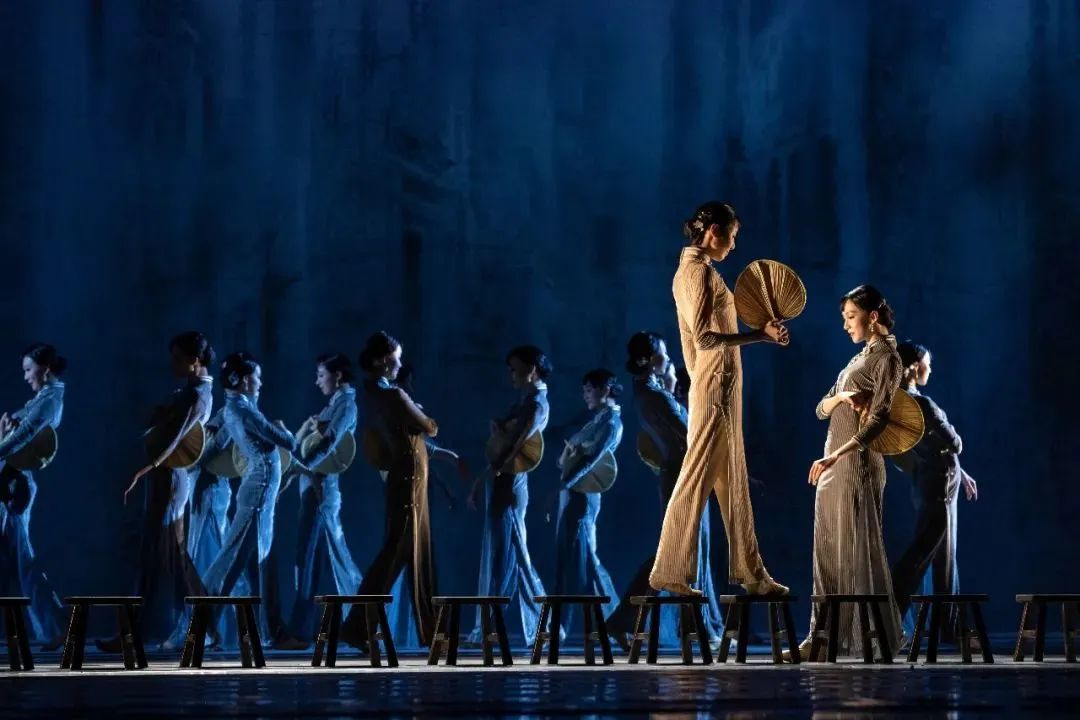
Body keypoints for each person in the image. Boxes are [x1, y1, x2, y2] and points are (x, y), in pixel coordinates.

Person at [650, 202, 789, 597]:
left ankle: (753, 574)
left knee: (733, 481)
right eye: (732, 235)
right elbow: (705, 338)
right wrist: (759, 336)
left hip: (720, 385)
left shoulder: (703, 271)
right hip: (714, 386)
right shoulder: (695, 273)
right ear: (713, 230)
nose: (733, 244)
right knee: (696, 475)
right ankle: (668, 570)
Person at [803, 285, 904, 659]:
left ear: (872, 317)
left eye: (850, 317)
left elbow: (878, 420)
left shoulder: (887, 359)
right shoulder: (858, 358)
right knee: (827, 550)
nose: (846, 325)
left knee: (856, 550)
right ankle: (820, 635)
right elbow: (820, 409)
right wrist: (843, 397)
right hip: (833, 465)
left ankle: (864, 637)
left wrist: (835, 456)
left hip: (856, 464)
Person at [606, 332, 724, 648]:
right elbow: (690, 437)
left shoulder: (652, 392)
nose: (668, 358)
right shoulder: (652, 396)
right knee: (679, 551)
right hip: (683, 476)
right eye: (662, 353)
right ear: (645, 359)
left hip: (684, 474)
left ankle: (632, 621)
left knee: (682, 551)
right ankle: (691, 625)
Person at [341, 332, 439, 648]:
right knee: (399, 550)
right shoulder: (393, 394)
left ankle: (428, 628)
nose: (399, 364)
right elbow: (430, 427)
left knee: (407, 550)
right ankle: (358, 625)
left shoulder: (371, 393)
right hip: (410, 476)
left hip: (403, 474)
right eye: (396, 359)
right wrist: (416, 408)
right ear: (384, 361)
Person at [118, 332, 215, 649]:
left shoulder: (198, 395)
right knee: (165, 554)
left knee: (168, 554)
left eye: (178, 358)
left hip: (172, 477)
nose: (172, 364)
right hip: (166, 476)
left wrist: (144, 468)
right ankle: (196, 625)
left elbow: (175, 437)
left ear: (195, 360)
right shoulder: (189, 392)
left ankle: (178, 626)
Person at [201, 352, 300, 644]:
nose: (260, 382)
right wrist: (282, 427)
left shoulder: (233, 409)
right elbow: (289, 442)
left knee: (253, 559)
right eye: (257, 377)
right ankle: (202, 620)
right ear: (245, 381)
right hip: (258, 489)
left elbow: (217, 444)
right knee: (233, 558)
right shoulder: (245, 411)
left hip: (259, 490)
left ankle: (268, 629)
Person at [890, 341, 977, 640]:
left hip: (932, 478)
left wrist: (961, 472)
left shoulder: (899, 402)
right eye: (927, 362)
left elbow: (925, 447)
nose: (931, 368)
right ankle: (894, 609)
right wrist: (954, 446)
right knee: (930, 548)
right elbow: (954, 443)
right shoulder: (921, 404)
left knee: (941, 550)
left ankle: (949, 625)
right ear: (915, 366)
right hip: (939, 481)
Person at [465, 345, 551, 646]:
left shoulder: (536, 403)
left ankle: (532, 623)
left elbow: (513, 446)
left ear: (531, 369)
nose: (512, 374)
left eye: (516, 369)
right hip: (506, 480)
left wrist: (481, 480)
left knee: (511, 555)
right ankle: (495, 624)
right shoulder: (526, 400)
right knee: (505, 555)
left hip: (511, 481)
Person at [287, 352, 364, 641]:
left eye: (321, 375)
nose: (317, 381)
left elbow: (330, 442)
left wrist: (301, 468)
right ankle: (308, 628)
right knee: (313, 558)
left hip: (320, 487)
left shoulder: (346, 406)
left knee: (312, 557)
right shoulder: (336, 404)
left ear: (338, 375)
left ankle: (303, 630)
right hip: (314, 484)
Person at [0, 343, 67, 645]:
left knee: (23, 559)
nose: (26, 376)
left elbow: (24, 435)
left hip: (16, 483)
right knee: (15, 558)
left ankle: (54, 628)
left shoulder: (50, 401)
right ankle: (51, 628)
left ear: (45, 368)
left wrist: (7, 433)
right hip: (10, 479)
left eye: (29, 370)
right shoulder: (42, 398)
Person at [552, 369, 622, 635]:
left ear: (605, 389)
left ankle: (612, 623)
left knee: (585, 559)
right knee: (573, 558)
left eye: (589, 390)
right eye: (584, 390)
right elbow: (574, 455)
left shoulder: (611, 423)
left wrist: (564, 484)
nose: (585, 395)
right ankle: (603, 624)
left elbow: (592, 460)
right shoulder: (598, 420)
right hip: (574, 491)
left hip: (584, 493)